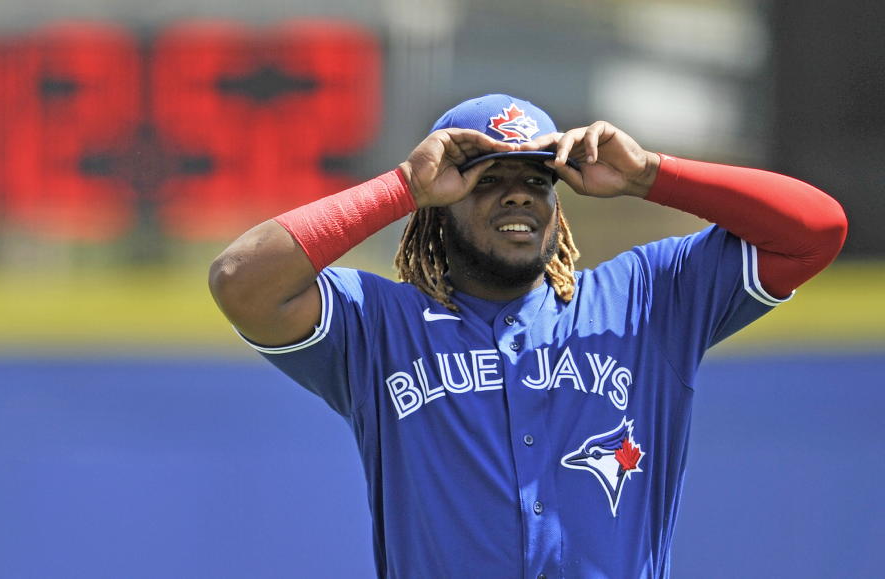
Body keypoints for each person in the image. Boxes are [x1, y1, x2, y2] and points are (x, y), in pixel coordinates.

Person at [208, 94, 847, 578]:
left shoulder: (647, 300)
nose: (519, 197)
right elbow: (240, 279)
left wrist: (651, 173)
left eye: (537, 180)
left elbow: (816, 230)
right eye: (488, 180)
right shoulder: (375, 324)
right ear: (439, 208)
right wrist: (401, 187)